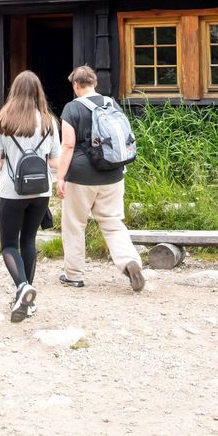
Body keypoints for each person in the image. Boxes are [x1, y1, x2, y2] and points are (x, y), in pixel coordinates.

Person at [55, 65, 145, 292]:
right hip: (113, 173)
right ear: (95, 83)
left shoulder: (71, 108)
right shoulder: (111, 103)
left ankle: (73, 275)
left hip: (81, 176)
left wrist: (60, 177)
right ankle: (129, 261)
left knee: (75, 225)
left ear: (76, 85)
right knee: (113, 222)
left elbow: (67, 145)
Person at [0, 70, 61, 322]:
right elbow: (54, 162)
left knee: (9, 244)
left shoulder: (3, 121)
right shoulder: (50, 122)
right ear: (39, 92)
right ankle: (27, 303)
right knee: (29, 240)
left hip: (11, 191)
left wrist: (13, 156)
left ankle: (22, 287)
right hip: (41, 191)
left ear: (14, 92)